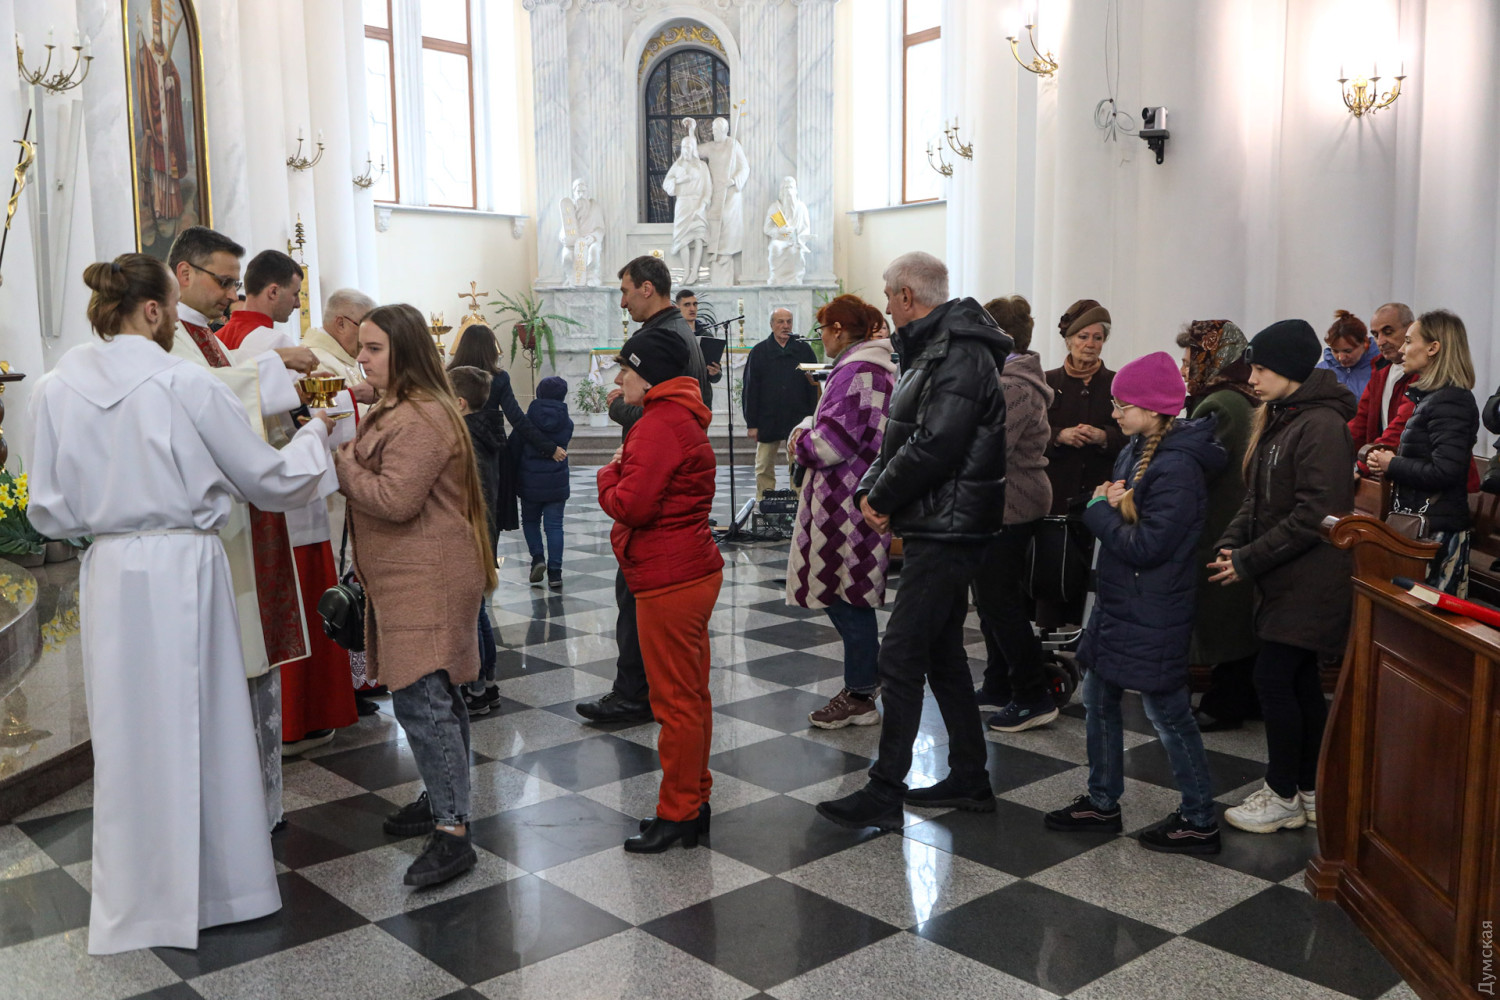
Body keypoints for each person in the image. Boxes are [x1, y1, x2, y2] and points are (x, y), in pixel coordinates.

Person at [24, 253, 335, 954]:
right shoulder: (182, 382)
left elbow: (47, 509)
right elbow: (269, 480)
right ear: (154, 310)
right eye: (171, 307)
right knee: (207, 722)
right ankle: (224, 890)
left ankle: (138, 900)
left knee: (128, 732)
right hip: (185, 564)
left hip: (111, 570)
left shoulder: (54, 387)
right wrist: (318, 434)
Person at [816, 251, 1009, 831]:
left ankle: (884, 790)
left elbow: (937, 444)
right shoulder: (931, 348)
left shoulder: (960, 353)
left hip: (951, 526)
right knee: (943, 653)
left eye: (887, 293)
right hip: (935, 520)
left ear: (906, 296)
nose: (885, 302)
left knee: (899, 656)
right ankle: (970, 776)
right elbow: (900, 438)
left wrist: (882, 497)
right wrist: (873, 489)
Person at [335, 304, 494, 886]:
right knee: (435, 698)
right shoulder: (405, 405)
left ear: (404, 352)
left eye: (374, 348)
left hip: (429, 576)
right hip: (413, 574)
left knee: (424, 703)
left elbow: (396, 499)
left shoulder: (421, 415)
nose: (362, 357)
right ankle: (442, 797)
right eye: (362, 346)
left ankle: (453, 833)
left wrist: (340, 464)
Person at [167, 225, 319, 831]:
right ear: (183, 274)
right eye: (224, 281)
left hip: (242, 516)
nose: (233, 294)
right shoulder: (168, 338)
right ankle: (237, 813)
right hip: (211, 526)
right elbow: (208, 397)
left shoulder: (204, 335)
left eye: (235, 282)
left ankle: (258, 805)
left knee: (255, 657)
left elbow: (234, 398)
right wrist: (275, 367)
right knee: (231, 661)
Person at [1044, 352, 1226, 853]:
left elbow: (1147, 546)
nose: (1115, 413)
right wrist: (1111, 501)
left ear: (1151, 409)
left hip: (1154, 608)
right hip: (1122, 601)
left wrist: (1099, 509)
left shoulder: (1178, 467)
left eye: (1123, 406)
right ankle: (1102, 801)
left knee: (1168, 714)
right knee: (1098, 699)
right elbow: (1128, 512)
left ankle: (1199, 818)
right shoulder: (1137, 449)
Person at [1212, 320, 1354, 835]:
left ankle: (1281, 794)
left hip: (1311, 579)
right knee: (1298, 682)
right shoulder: (1283, 416)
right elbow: (1257, 496)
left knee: (1273, 678)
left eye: (1261, 369)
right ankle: (1310, 791)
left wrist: (1249, 559)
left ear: (1291, 370)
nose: (1252, 378)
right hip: (1285, 574)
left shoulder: (1320, 425)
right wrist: (1232, 542)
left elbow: (1316, 513)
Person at [599, 328, 724, 852]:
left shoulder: (656, 425)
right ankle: (694, 798)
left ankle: (677, 813)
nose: (620, 378)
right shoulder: (681, 415)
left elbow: (632, 506)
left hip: (669, 576)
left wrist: (608, 475)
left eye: (627, 368)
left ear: (648, 375)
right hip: (689, 568)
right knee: (691, 695)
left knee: (674, 703)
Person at [577, 256, 712, 726]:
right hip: (666, 506)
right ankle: (644, 689)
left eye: (626, 291)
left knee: (636, 597)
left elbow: (666, 418)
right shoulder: (675, 331)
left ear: (648, 288)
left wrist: (617, 423)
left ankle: (635, 694)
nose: (623, 302)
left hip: (658, 521)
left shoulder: (662, 339)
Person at [785, 294, 896, 728]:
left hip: (845, 503)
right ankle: (866, 679)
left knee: (847, 596)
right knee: (848, 591)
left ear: (837, 329)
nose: (821, 338)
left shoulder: (856, 371)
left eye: (823, 329)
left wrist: (799, 434)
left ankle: (862, 691)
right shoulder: (872, 368)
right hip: (856, 496)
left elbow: (829, 444)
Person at [972, 295, 1059, 732]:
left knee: (1000, 601)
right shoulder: (1006, 377)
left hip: (1013, 501)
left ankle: (1032, 695)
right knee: (989, 599)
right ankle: (999, 682)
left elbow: (990, 449)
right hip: (1002, 500)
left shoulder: (1014, 386)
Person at [1175, 320, 1262, 732]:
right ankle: (1243, 697)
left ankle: (1225, 702)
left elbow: (1199, 468)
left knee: (1223, 616)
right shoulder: (1242, 395)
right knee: (1236, 614)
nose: (1184, 367)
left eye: (1189, 358)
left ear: (1212, 357)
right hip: (1239, 519)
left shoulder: (1219, 404)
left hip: (1221, 520)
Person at [1365, 309, 1479, 596]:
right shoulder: (1432, 398)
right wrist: (1385, 463)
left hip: (1437, 532)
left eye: (1408, 341)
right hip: (1424, 527)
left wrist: (1392, 464)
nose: (1402, 350)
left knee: (1429, 615)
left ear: (1433, 348)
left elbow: (1446, 471)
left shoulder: (1452, 400)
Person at [1040, 299, 1125, 628]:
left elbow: (1134, 434)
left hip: (1100, 495)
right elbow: (1028, 434)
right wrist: (1059, 436)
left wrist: (1105, 436)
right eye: (1083, 337)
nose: (1090, 344)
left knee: (1095, 572)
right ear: (1068, 340)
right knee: (1053, 572)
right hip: (1056, 496)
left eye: (1098, 338)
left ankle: (1092, 636)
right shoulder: (1047, 382)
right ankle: (1048, 641)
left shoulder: (1117, 384)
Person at [446, 324, 566, 543]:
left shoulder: (448, 376)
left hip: (456, 445)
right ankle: (490, 560)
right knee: (491, 515)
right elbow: (517, 418)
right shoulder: (498, 378)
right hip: (492, 449)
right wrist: (549, 447)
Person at [448, 365, 505, 717]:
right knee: (479, 610)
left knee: (472, 614)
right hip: (484, 528)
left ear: (460, 403)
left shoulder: (465, 438)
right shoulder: (487, 428)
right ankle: (488, 684)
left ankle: (477, 689)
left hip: (471, 529)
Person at [742, 308, 818, 499]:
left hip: (798, 417)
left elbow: (814, 387)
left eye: (788, 321)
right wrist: (752, 423)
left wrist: (813, 418)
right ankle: (764, 502)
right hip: (768, 417)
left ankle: (799, 503)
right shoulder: (759, 351)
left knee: (798, 463)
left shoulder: (804, 350)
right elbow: (750, 389)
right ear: (772, 325)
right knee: (763, 465)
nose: (785, 326)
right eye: (780, 321)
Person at [519, 375, 575, 590]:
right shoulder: (567, 422)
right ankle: (555, 572)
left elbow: (518, 445)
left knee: (530, 521)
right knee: (554, 526)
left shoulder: (527, 420)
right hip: (557, 481)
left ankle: (537, 558)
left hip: (530, 480)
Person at [1349, 302, 1416, 453]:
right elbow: (1360, 422)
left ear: (1411, 329)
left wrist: (1367, 461)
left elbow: (1402, 428)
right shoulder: (1380, 370)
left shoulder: (1422, 373)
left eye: (1388, 332)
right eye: (1375, 335)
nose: (1380, 341)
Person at [216, 249, 302, 351]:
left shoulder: (214, 340)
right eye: (295, 294)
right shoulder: (278, 343)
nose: (298, 304)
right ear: (273, 292)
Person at [1314, 309, 1376, 402]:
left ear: (1365, 343)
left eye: (1348, 351)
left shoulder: (1382, 366)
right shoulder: (1321, 371)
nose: (1341, 357)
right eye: (1335, 351)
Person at [676, 288, 722, 380]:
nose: (692, 308)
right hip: (681, 385)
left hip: (702, 387)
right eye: (687, 305)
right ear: (677, 308)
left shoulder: (706, 335)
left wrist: (715, 373)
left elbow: (715, 376)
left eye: (695, 304)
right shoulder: (673, 334)